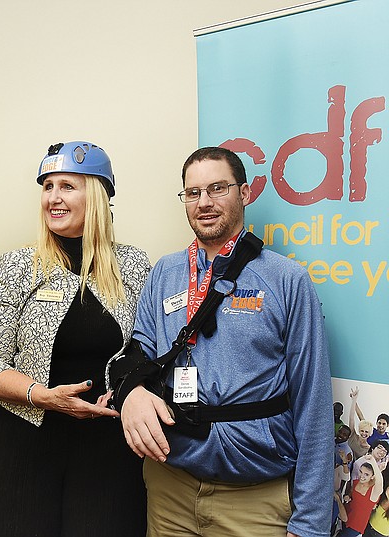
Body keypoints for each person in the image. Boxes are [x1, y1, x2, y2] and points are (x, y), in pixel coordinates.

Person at [119, 147, 332, 537]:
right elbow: (137, 353)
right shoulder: (164, 272)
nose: (204, 202)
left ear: (245, 193)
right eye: (193, 192)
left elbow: (313, 402)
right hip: (171, 489)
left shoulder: (287, 280)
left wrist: (312, 523)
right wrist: (130, 392)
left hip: (256, 500)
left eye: (218, 188)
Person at [0, 141, 151, 537]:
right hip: (23, 440)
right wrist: (43, 396)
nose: (53, 197)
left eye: (67, 186)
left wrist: (126, 388)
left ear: (98, 196)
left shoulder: (135, 265)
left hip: (105, 446)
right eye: (47, 186)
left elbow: (145, 349)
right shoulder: (19, 264)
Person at [339, 458, 384, 536]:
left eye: (366, 474)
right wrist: (347, 496)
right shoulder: (356, 482)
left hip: (355, 527)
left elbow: (380, 483)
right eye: (361, 472)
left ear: (372, 476)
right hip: (344, 517)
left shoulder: (373, 492)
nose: (362, 476)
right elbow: (351, 495)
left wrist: (373, 461)